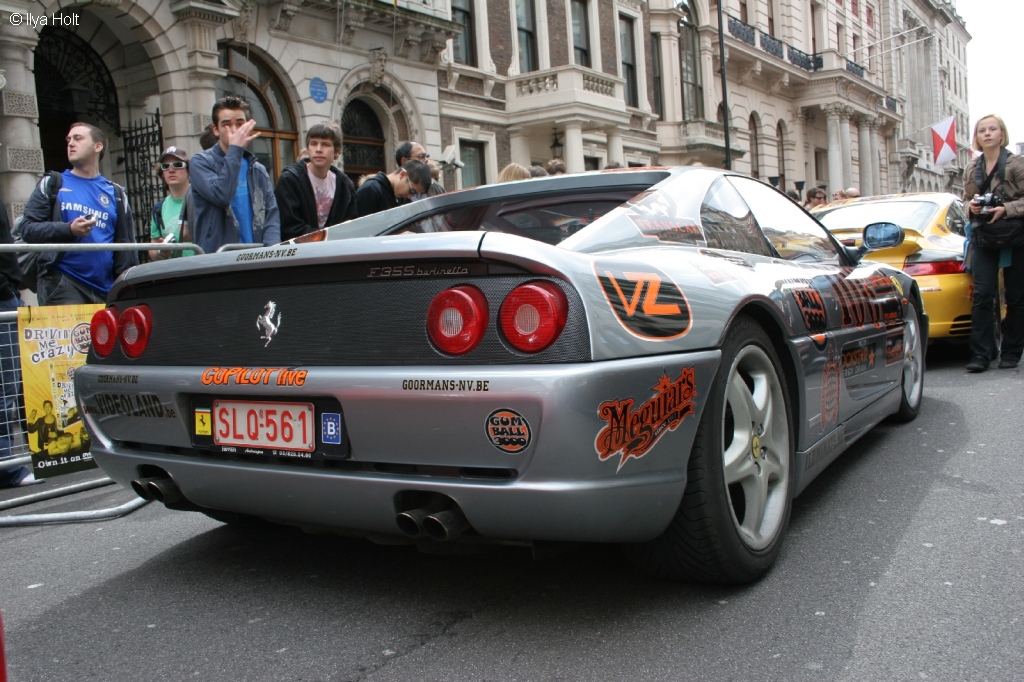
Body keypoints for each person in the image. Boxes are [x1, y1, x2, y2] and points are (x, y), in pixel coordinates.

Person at [20, 122, 138, 305]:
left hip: (105, 289)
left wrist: (125, 287)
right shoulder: (52, 183)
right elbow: (27, 229)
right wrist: (69, 229)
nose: (70, 144)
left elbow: (125, 245)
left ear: (98, 146)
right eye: (68, 140)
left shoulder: (116, 193)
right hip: (63, 284)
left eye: (78, 138)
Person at [962, 114, 1024, 372]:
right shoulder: (970, 168)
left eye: (992, 129)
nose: (987, 133)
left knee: (1017, 297)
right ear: (976, 137)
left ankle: (1011, 352)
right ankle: (982, 354)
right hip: (983, 236)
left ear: (1002, 134)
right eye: (982, 130)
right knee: (983, 296)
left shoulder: (1017, 164)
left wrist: (1006, 209)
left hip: (1015, 235)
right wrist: (972, 208)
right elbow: (964, 201)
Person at [190, 96, 281, 254]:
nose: (234, 130)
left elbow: (271, 213)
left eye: (239, 124)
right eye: (226, 124)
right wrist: (235, 150)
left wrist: (272, 251)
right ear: (215, 130)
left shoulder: (257, 169)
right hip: (220, 258)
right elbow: (221, 195)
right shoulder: (201, 162)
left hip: (256, 256)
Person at [0, 196, 34, 488]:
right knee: (6, 387)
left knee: (10, 385)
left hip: (8, 294)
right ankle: (6, 468)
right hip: (3, 297)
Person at [275, 122, 358, 241]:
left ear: (337, 152)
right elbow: (289, 227)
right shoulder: (290, 180)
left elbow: (350, 226)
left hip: (335, 254)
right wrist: (327, 238)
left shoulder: (345, 185)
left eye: (325, 144)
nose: (318, 149)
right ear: (308, 149)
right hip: (300, 254)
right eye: (313, 144)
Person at [148, 146, 195, 260]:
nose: (171, 170)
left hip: (202, 268)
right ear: (162, 174)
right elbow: (153, 246)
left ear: (189, 170)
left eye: (178, 165)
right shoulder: (159, 208)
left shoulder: (201, 200)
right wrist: (162, 252)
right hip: (174, 272)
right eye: (165, 166)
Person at [355, 160, 431, 217]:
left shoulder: (401, 197)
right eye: (412, 191)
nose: (409, 196)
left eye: (415, 195)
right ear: (402, 174)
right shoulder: (370, 191)